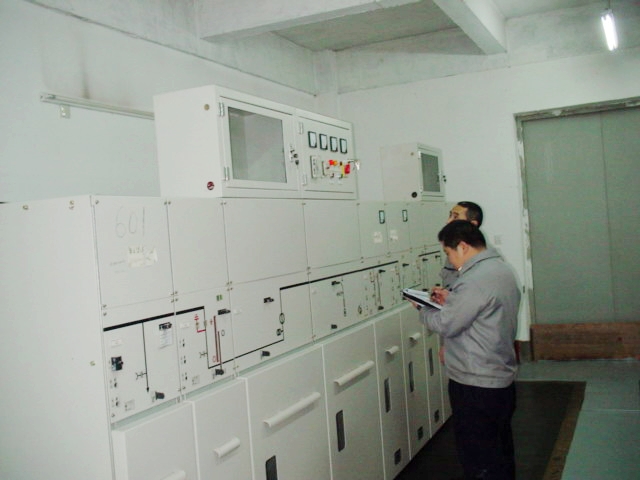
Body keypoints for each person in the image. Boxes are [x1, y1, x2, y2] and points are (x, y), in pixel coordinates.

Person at [416, 220, 521, 480]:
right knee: (499, 449)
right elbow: (482, 309)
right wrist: (452, 299)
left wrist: (423, 308)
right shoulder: (500, 270)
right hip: (499, 377)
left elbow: (446, 324)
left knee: (478, 456)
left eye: (448, 252)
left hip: (475, 383)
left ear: (462, 247)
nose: (450, 260)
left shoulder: (474, 280)